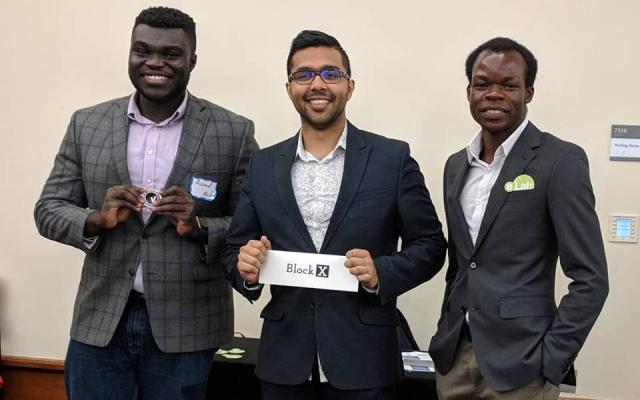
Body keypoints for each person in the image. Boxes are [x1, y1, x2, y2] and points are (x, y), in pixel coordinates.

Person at [34, 7, 258, 400]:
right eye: (142, 50)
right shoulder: (87, 124)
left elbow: (251, 224)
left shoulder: (233, 131)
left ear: (192, 61)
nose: (155, 62)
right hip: (99, 326)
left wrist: (200, 227)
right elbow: (49, 208)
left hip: (191, 332)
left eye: (171, 54)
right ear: (130, 54)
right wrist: (95, 220)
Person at [223, 30, 447, 399]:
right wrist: (246, 271)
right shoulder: (262, 165)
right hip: (284, 363)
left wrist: (381, 273)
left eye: (330, 74)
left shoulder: (391, 159)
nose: (317, 84)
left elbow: (431, 245)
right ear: (289, 87)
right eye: (304, 75)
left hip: (366, 362)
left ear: (349, 85)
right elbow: (234, 250)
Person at [428, 37, 609, 400]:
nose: (493, 94)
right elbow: (462, 265)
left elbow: (591, 278)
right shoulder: (455, 166)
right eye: (483, 84)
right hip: (455, 360)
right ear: (469, 92)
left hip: (524, 365)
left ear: (528, 92)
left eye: (508, 85)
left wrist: (552, 359)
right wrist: (444, 332)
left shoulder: (560, 161)